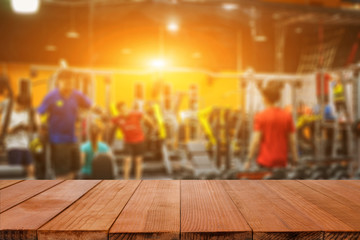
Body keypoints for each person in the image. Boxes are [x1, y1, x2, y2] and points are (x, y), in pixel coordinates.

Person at [37, 70, 92, 179]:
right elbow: (38, 113)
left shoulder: (76, 94)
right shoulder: (51, 96)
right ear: (59, 82)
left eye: (71, 83)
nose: (69, 86)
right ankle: (60, 195)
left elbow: (89, 105)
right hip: (58, 141)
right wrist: (40, 126)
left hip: (73, 139)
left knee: (73, 171)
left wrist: (89, 113)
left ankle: (69, 195)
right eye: (67, 83)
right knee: (61, 175)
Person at [244, 81, 298, 170]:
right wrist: (295, 161)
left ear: (265, 98)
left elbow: (256, 140)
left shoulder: (260, 116)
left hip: (265, 161)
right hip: (282, 162)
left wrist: (248, 160)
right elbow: (292, 141)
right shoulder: (287, 116)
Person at [112, 102, 154, 180]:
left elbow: (147, 119)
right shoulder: (118, 118)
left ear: (127, 108)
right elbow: (110, 125)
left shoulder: (136, 114)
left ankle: (138, 180)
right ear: (119, 111)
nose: (124, 111)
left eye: (125, 109)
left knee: (138, 160)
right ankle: (126, 181)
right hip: (128, 141)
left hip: (139, 140)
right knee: (127, 160)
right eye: (121, 110)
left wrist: (151, 130)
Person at [5, 96, 34, 178]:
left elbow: (29, 129)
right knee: (15, 172)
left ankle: (30, 188)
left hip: (24, 145)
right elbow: (6, 130)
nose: (23, 108)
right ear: (16, 103)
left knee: (31, 169)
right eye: (22, 106)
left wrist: (27, 127)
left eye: (24, 106)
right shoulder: (9, 114)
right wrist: (18, 127)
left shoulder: (24, 114)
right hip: (14, 145)